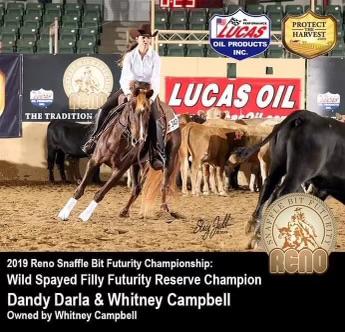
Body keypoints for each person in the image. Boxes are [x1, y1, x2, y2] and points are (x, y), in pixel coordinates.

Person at [82, 23, 165, 170]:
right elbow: (124, 78)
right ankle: (94, 139)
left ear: (151, 40)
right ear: (138, 39)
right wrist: (128, 93)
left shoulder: (155, 57)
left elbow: (156, 79)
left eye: (148, 37)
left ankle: (156, 153)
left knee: (156, 119)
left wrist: (151, 98)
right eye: (143, 37)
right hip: (130, 89)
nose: (146, 40)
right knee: (104, 109)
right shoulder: (130, 57)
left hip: (148, 91)